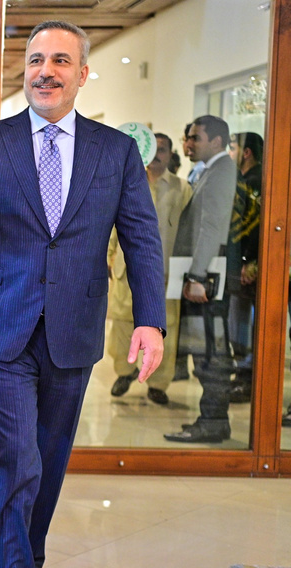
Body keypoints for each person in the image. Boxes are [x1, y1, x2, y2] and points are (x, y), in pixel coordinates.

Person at [0, 21, 165, 568]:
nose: (45, 71)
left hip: (75, 327)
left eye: (60, 61)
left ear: (82, 73)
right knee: (16, 458)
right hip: (4, 321)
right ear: (26, 69)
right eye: (36, 59)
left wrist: (150, 319)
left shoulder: (115, 151)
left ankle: (28, 559)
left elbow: (141, 236)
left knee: (49, 458)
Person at [164, 115, 238, 443]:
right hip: (203, 277)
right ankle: (210, 417)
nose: (189, 144)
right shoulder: (208, 171)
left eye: (196, 138)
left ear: (217, 142)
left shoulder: (222, 172)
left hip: (207, 280)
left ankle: (213, 421)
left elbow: (212, 226)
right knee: (204, 349)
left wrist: (196, 275)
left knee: (211, 351)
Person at [108, 132, 191, 406]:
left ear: (170, 154)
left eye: (163, 150)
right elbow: (111, 225)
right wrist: (108, 256)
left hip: (165, 273)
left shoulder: (182, 188)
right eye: (153, 149)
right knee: (121, 324)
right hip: (124, 270)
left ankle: (158, 384)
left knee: (165, 327)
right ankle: (125, 371)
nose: (157, 155)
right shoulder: (128, 180)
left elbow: (189, 231)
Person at [227, 132, 263, 403]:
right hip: (242, 262)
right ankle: (243, 374)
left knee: (248, 325)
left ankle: (249, 378)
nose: (231, 151)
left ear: (246, 152)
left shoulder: (257, 181)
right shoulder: (242, 179)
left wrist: (250, 261)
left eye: (233, 146)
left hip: (251, 265)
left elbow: (257, 227)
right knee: (238, 322)